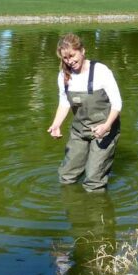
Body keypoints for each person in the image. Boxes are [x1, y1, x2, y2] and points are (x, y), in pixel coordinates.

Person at [47, 33, 122, 190]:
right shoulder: (63, 75)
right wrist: (56, 124)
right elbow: (64, 101)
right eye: (65, 58)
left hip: (105, 129)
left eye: (72, 56)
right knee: (66, 176)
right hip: (79, 130)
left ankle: (96, 211)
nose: (70, 61)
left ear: (82, 50)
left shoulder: (101, 71)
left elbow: (117, 103)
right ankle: (71, 208)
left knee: (94, 180)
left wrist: (107, 126)